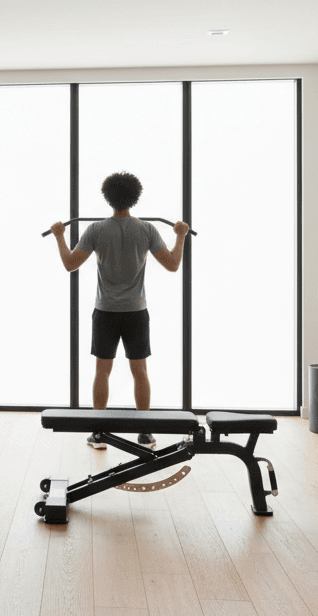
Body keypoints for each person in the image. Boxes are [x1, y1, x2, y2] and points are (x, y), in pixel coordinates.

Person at [50, 171, 187, 449]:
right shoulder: (146, 229)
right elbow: (173, 264)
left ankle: (99, 433)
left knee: (103, 371)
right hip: (136, 312)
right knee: (140, 372)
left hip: (106, 312)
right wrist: (181, 236)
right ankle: (145, 432)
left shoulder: (97, 230)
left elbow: (70, 264)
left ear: (107, 197)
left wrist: (59, 236)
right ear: (135, 197)